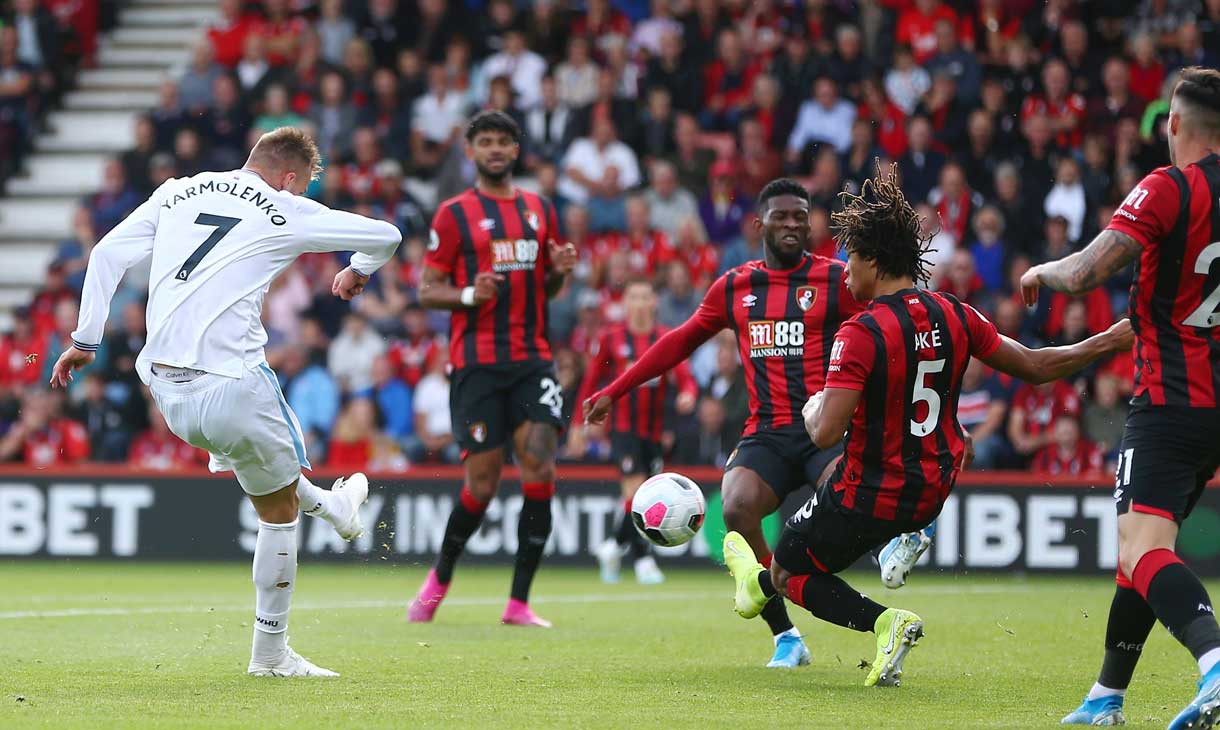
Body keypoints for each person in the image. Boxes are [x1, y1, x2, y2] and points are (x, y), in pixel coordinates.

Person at [720, 164, 1132, 688]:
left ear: (873, 260)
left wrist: (811, 407)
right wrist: (1108, 340)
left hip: (869, 491)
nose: (844, 271)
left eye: (851, 259)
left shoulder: (861, 332)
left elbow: (824, 435)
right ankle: (892, 546)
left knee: (788, 571)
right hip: (933, 490)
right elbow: (1036, 366)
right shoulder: (955, 313)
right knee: (806, 546)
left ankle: (882, 622)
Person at [48, 127, 402, 677]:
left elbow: (107, 253)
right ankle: (271, 655)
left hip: (167, 392)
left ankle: (335, 508)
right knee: (277, 514)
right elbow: (386, 233)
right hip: (233, 383)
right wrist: (358, 270)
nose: (303, 193)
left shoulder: (177, 190)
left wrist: (85, 340)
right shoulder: (285, 208)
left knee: (267, 474)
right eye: (304, 184)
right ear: (289, 177)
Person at [585, 178, 866, 669]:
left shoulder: (835, 279)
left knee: (842, 503)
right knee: (736, 509)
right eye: (782, 216)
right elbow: (678, 342)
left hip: (825, 428)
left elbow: (886, 330)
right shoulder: (736, 286)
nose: (793, 224)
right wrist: (616, 389)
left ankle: (888, 552)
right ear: (760, 224)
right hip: (767, 433)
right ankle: (787, 637)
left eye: (801, 216)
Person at [1019, 67, 1220, 729]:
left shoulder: (1168, 188)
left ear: (1172, 124)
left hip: (1166, 402)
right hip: (1213, 406)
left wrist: (1040, 271)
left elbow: (1084, 272)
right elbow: (1171, 305)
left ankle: (1215, 661)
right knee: (1142, 550)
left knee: (1139, 550)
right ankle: (1106, 697)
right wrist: (1098, 345)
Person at [407, 110, 578, 628]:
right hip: (477, 365)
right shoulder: (453, 214)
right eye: (486, 141)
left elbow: (546, 290)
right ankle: (438, 582)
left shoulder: (539, 209)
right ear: (471, 151)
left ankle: (519, 602)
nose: (496, 149)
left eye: (504, 141)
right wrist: (467, 293)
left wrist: (559, 273)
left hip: (532, 360)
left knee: (540, 466)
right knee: (481, 483)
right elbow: (426, 289)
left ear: (516, 149)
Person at [576, 277, 698, 586]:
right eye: (634, 296)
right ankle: (644, 560)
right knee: (636, 493)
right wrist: (581, 420)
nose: (641, 303)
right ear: (625, 303)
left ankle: (613, 546)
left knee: (638, 498)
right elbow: (592, 380)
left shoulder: (664, 337)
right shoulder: (611, 338)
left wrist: (688, 393)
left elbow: (684, 375)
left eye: (646, 296)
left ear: (654, 302)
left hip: (654, 433)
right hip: (623, 431)